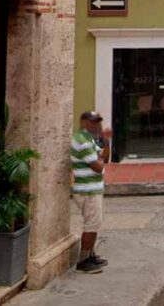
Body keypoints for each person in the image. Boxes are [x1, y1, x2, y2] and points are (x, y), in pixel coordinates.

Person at [71, 111, 111, 274]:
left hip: (92, 189)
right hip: (87, 191)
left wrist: (106, 140)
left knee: (94, 223)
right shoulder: (83, 142)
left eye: (98, 122)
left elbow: (105, 158)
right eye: (94, 122)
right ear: (84, 123)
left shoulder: (89, 139)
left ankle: (90, 255)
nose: (98, 125)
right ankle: (84, 261)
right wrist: (100, 161)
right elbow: (98, 167)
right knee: (91, 225)